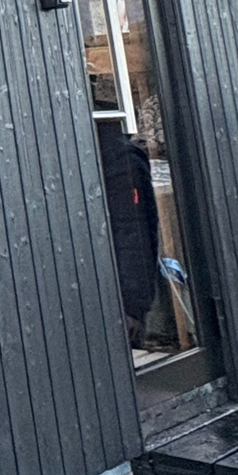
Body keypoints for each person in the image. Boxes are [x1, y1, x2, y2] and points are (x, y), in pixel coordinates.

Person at [91, 73, 159, 347]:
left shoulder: (117, 158)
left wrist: (134, 306)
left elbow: (134, 231)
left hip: (117, 302)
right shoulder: (116, 154)